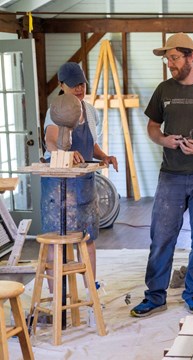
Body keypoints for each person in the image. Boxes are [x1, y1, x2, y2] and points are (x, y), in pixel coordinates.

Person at [130, 33, 193, 317]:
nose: (170, 64)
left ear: (191, 57)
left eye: (174, 58)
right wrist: (163, 140)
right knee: (161, 235)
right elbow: (152, 126)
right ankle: (155, 296)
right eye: (168, 60)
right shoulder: (164, 90)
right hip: (171, 174)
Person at [41, 62, 119, 288]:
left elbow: (91, 143)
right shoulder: (56, 109)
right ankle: (57, 288)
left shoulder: (91, 110)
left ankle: (90, 286)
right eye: (74, 85)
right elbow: (50, 140)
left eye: (82, 84)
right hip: (58, 180)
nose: (79, 89)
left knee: (87, 237)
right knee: (58, 237)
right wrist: (65, 152)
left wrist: (104, 156)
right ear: (61, 85)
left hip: (83, 180)